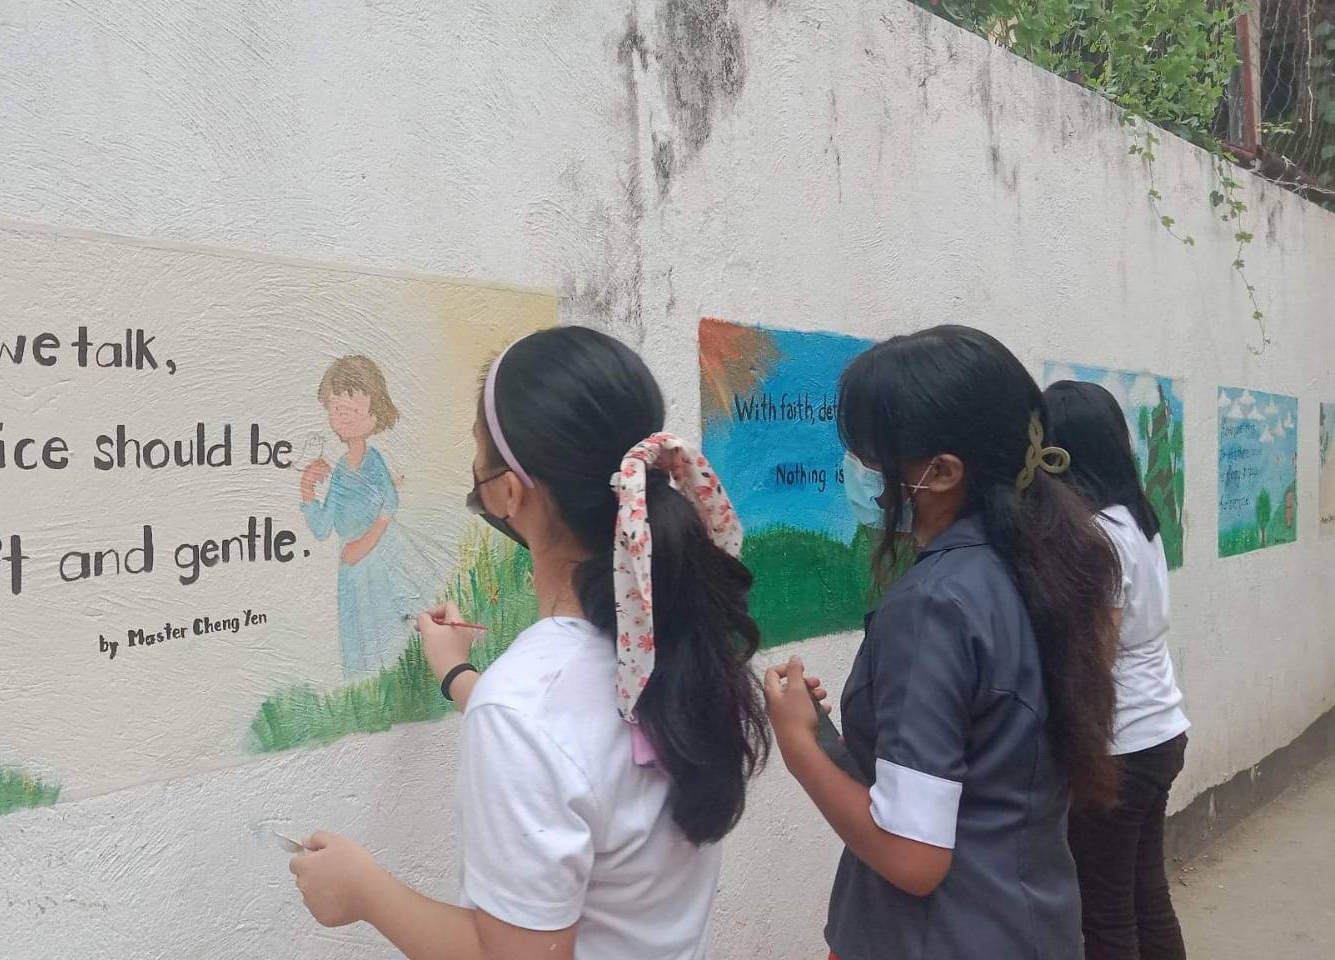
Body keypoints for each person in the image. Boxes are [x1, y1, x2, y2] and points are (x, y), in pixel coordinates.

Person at [288, 327, 770, 959]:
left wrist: (364, 891)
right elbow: (580, 744)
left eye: (477, 450)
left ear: (508, 492)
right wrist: (459, 678)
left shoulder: (526, 707)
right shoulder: (668, 637)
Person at [762, 325, 1122, 960]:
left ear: (943, 472)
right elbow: (976, 767)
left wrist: (798, 748)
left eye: (872, 457)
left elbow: (913, 856)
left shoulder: (935, 605)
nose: (858, 473)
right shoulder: (1042, 567)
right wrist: (833, 744)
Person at [1046, 379, 1191, 960]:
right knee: (1145, 894)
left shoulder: (1097, 534)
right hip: (1161, 731)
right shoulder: (1139, 519)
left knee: (1104, 916)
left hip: (1119, 746)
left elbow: (1095, 658)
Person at [300, 355, 421, 677]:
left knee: (384, 630)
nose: (342, 417)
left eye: (351, 411)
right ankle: (361, 692)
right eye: (335, 409)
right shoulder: (340, 469)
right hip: (351, 569)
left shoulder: (373, 460)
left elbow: (389, 505)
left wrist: (364, 544)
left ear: (374, 414)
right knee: (356, 636)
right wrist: (308, 491)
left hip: (377, 560)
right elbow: (324, 527)